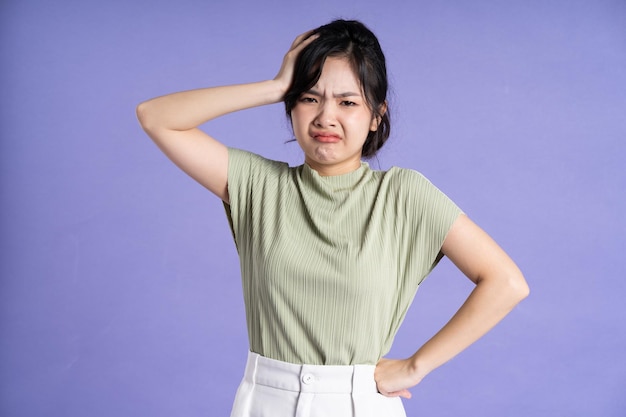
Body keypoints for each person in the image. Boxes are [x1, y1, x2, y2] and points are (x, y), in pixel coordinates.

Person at [137, 19, 529, 417]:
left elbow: (507, 282)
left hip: (357, 403)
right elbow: (156, 116)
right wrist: (274, 87)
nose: (325, 117)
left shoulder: (402, 196)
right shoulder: (258, 186)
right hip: (264, 400)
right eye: (309, 98)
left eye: (347, 102)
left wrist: (416, 366)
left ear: (376, 115)